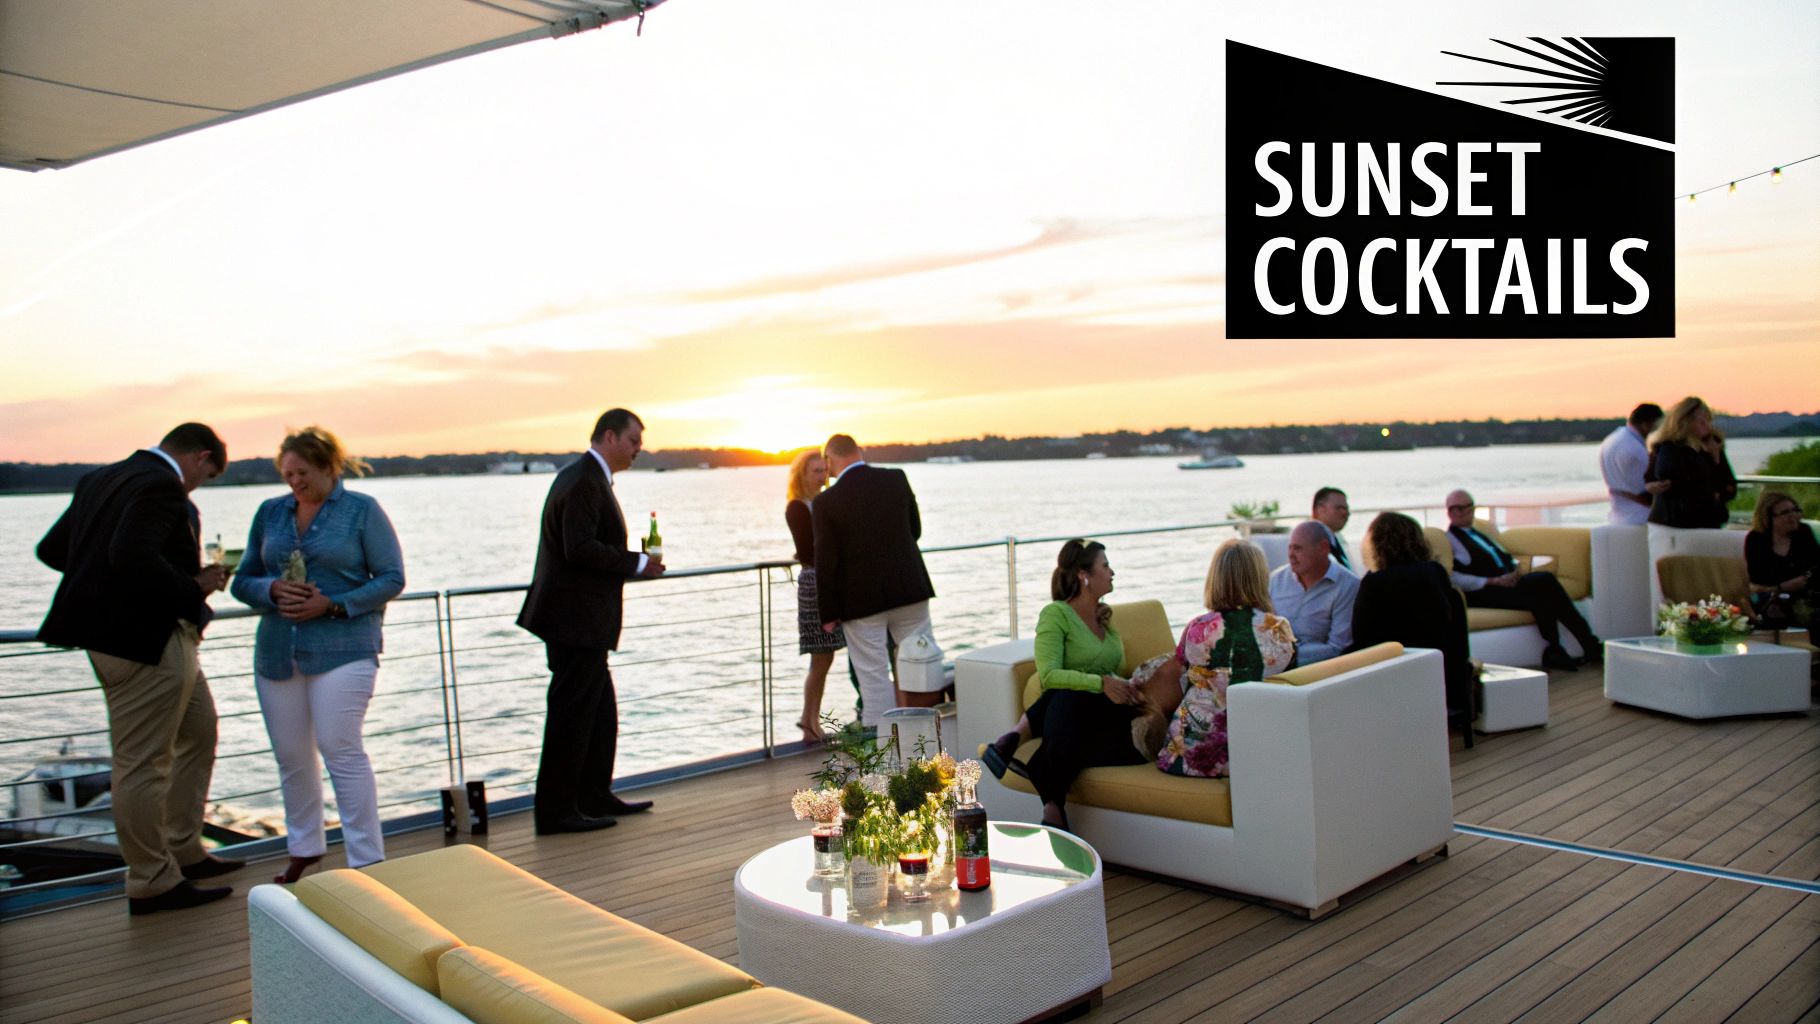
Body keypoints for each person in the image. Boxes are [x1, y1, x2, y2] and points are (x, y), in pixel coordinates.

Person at [34, 423, 241, 914]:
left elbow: (53, 550)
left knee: (200, 731)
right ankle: (151, 879)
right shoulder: (160, 486)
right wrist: (194, 585)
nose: (197, 487)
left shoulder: (100, 479)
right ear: (199, 457)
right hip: (145, 642)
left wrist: (102, 583)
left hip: (141, 640)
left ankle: (184, 849)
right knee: (142, 761)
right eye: (205, 477)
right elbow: (130, 555)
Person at [231, 427, 405, 884]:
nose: (295, 483)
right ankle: (305, 849)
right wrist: (269, 589)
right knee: (291, 755)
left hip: (346, 647)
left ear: (329, 467)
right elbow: (242, 579)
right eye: (287, 475)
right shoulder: (270, 513)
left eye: (302, 473)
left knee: (339, 746)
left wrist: (331, 604)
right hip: (277, 652)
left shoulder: (361, 511)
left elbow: (391, 578)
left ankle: (367, 859)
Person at [517, 409, 666, 835]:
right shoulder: (583, 479)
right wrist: (636, 563)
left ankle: (593, 794)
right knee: (571, 715)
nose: (640, 448)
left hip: (579, 620)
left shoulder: (585, 476)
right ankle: (555, 811)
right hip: (573, 620)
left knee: (599, 712)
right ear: (609, 436)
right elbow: (579, 548)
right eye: (635, 440)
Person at [980, 540, 1144, 830]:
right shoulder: (1056, 615)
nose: (1112, 572)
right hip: (1070, 713)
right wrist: (1098, 683)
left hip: (1104, 716)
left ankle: (1018, 740)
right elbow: (1049, 675)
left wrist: (1125, 686)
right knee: (1066, 695)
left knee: (1070, 699)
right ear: (1084, 575)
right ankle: (1053, 805)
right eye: (1105, 566)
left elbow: (1113, 670)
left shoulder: (1105, 617)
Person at [811, 434, 938, 727]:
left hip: (861, 602)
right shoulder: (896, 478)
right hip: (909, 589)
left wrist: (828, 614)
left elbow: (825, 562)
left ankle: (883, 753)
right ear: (860, 451)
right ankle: (925, 741)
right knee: (918, 665)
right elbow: (914, 530)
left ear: (829, 460)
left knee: (873, 676)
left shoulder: (825, 502)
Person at [1156, 540, 1297, 779]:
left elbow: (1180, 675)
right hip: (1251, 753)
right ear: (1259, 579)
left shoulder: (1196, 627)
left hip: (1185, 754)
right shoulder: (1279, 629)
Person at [1445, 489, 1602, 671]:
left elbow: (1504, 557)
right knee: (1544, 583)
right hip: (1482, 592)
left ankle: (1560, 648)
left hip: (1506, 584)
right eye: (1453, 509)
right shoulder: (1449, 540)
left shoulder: (1480, 534)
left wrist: (1515, 572)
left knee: (1543, 588)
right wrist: (1492, 581)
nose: (1458, 512)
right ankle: (1583, 645)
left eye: (1463, 507)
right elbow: (1453, 577)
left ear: (1472, 508)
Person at [1350, 511, 1475, 728]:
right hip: (1440, 664)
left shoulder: (1374, 583)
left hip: (1397, 669)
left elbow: (1361, 636)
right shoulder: (1435, 572)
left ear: (1378, 544)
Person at [784, 449, 846, 742]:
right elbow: (810, 550)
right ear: (802, 475)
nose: (822, 476)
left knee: (825, 657)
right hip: (814, 584)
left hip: (830, 581)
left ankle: (810, 721)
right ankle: (809, 721)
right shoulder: (797, 507)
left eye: (824, 470)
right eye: (816, 471)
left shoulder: (824, 503)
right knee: (819, 657)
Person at [1268, 521, 1359, 666]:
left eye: (1298, 548)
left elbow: (1339, 647)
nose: (1291, 555)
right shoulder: (1276, 580)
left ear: (1323, 548)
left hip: (1321, 672)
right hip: (1274, 667)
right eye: (1289, 548)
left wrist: (1291, 656)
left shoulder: (1347, 585)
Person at [1647, 396, 1737, 529]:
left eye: (1708, 420)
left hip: (1707, 521)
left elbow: (1730, 488)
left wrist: (1716, 459)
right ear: (1685, 422)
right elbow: (1669, 479)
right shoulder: (1669, 449)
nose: (1706, 425)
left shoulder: (1712, 446)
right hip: (1675, 522)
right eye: (1701, 421)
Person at [1745, 490, 1819, 634]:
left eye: (1795, 510)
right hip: (1771, 599)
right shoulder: (1756, 540)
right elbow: (1756, 581)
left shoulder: (1803, 532)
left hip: (1806, 596)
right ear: (1769, 518)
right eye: (1785, 512)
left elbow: (1816, 565)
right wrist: (1782, 586)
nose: (1794, 516)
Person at [1599, 402, 1666, 524]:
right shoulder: (1635, 450)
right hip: (1640, 518)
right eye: (1659, 427)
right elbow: (1645, 493)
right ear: (1648, 424)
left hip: (1618, 518)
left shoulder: (1612, 439)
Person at [1311, 487, 1356, 572]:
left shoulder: (1335, 538)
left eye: (1346, 509)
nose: (1345, 513)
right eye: (1339, 508)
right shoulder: (1310, 543)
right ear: (1320, 509)